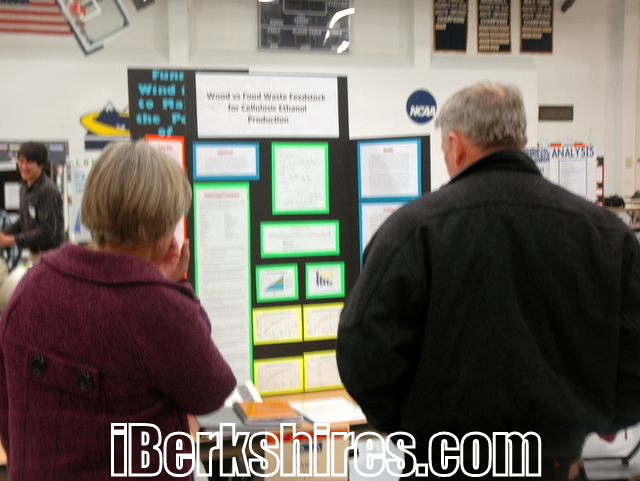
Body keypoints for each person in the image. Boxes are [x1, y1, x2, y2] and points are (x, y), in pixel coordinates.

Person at [336, 82, 640, 480]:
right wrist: (581, 427)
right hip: (555, 465)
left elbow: (363, 355)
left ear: (455, 145)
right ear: (518, 139)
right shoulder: (606, 234)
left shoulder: (412, 231)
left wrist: (410, 430)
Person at [0, 140, 236, 480]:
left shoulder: (30, 286)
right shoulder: (155, 308)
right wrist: (177, 288)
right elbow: (211, 391)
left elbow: (8, 404)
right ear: (163, 231)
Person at [0, 141, 66, 263]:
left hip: (52, 255)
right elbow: (24, 220)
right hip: (35, 253)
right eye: (21, 161)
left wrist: (11, 240)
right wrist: (4, 234)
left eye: (29, 162)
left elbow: (47, 232)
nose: (23, 166)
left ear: (41, 165)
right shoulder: (24, 187)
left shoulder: (47, 190)